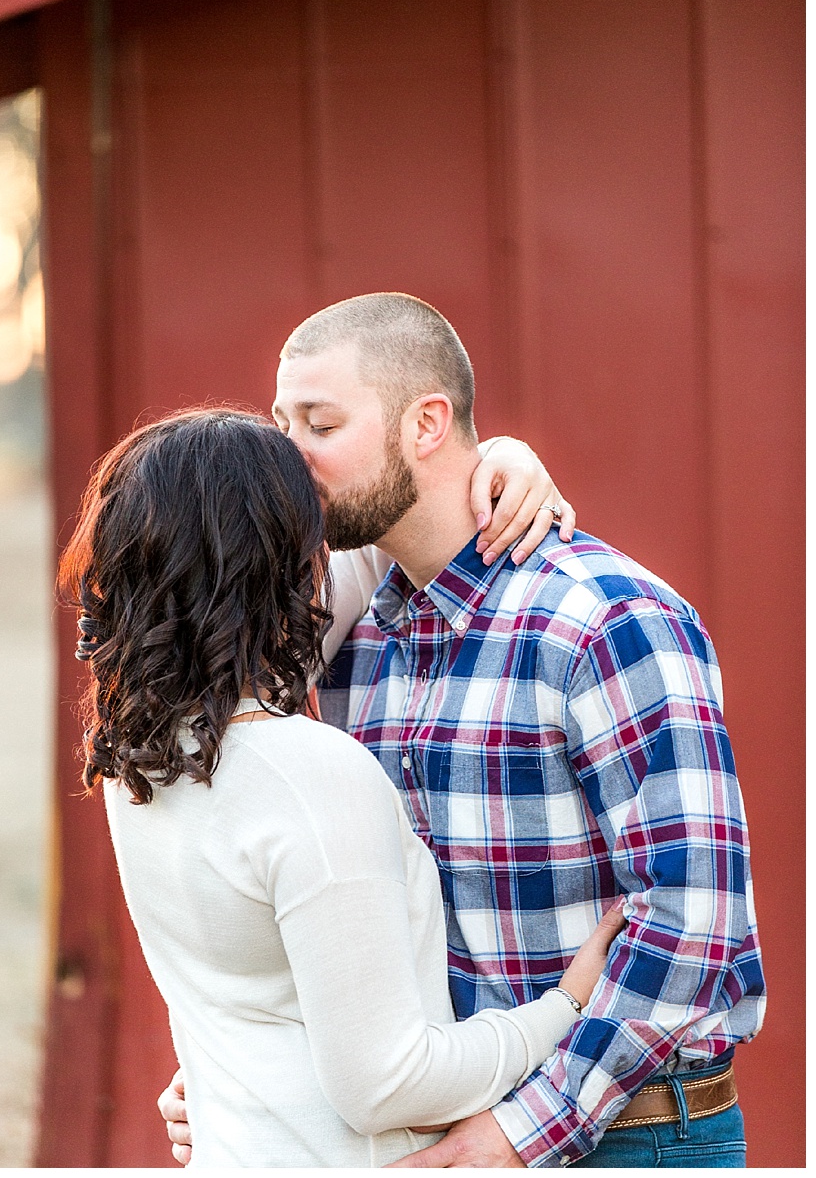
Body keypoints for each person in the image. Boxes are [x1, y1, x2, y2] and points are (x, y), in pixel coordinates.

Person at [159, 293, 764, 1167]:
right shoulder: (356, 637)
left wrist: (525, 1131)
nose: (288, 459)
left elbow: (693, 914)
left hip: (626, 1135)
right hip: (442, 1124)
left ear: (427, 424)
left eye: (319, 426)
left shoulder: (606, 620)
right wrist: (245, 1070)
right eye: (281, 426)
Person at [65, 407, 626, 1166]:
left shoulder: (141, 759)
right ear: (279, 565)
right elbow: (387, 1084)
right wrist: (563, 1007)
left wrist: (484, 462)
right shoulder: (310, 776)